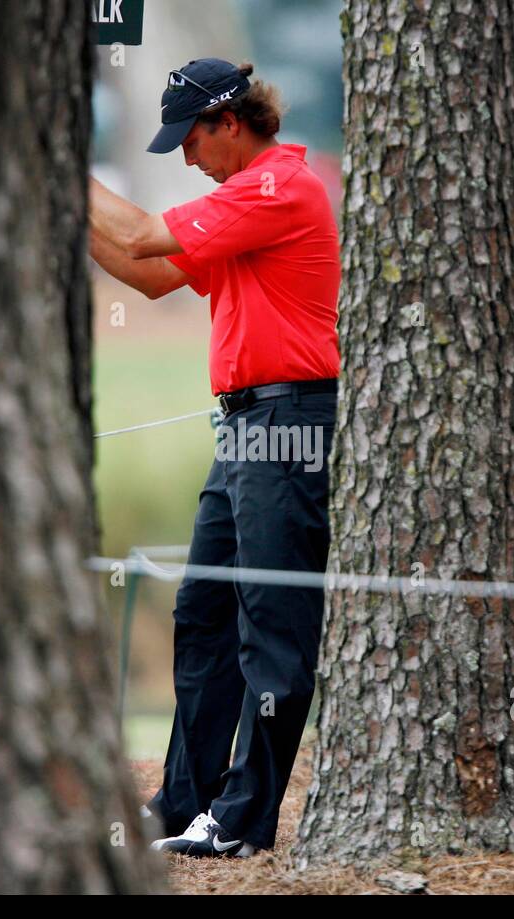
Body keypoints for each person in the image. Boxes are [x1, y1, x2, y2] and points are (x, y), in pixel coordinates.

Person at [87, 58, 341, 857]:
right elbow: (148, 274)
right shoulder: (242, 202)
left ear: (232, 124)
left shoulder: (275, 190)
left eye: (191, 140)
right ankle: (186, 802)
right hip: (246, 431)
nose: (186, 156)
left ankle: (243, 819)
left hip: (293, 422)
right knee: (202, 614)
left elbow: (138, 233)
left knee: (272, 627)